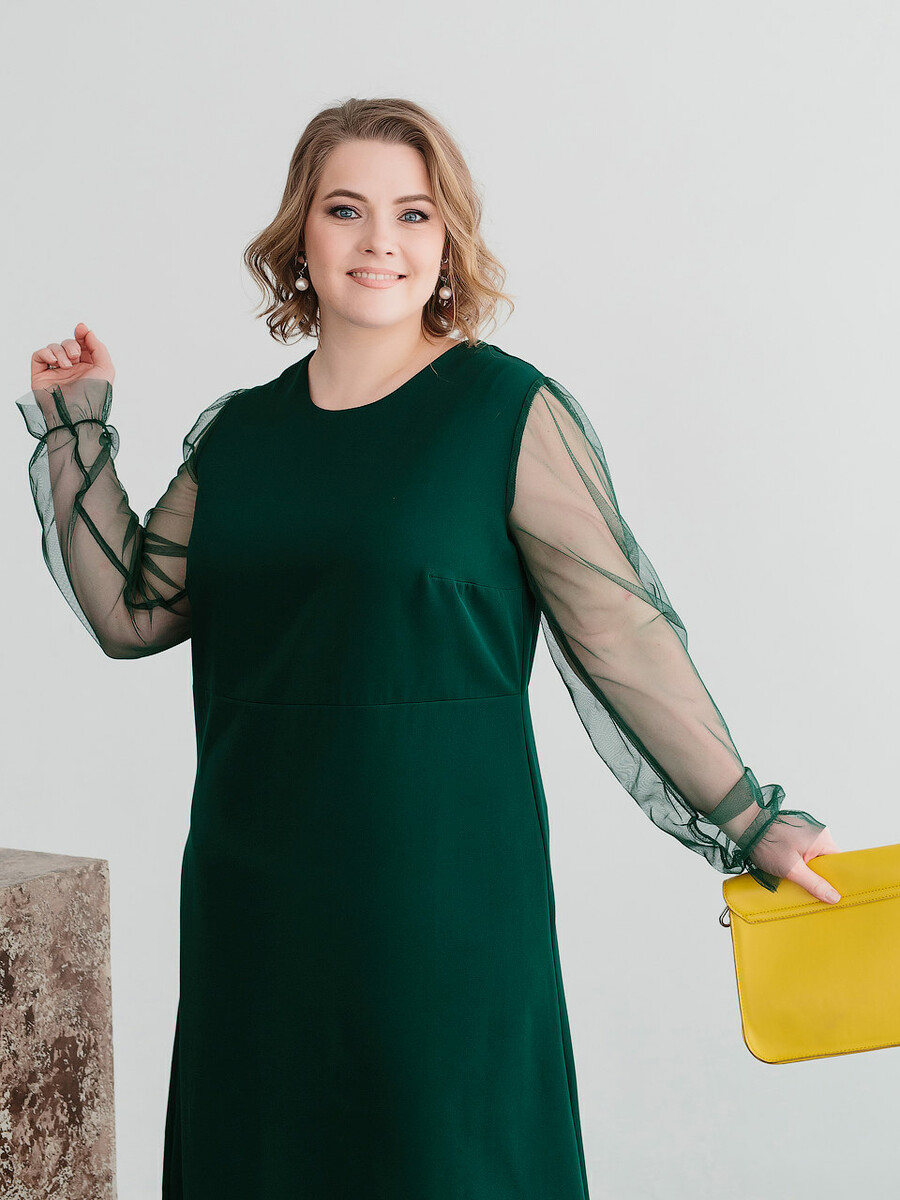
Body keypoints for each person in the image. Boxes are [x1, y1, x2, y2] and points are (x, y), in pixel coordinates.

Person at [15, 97, 840, 1199]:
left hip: (442, 897)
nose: (380, 241)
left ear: (446, 239)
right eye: (345, 209)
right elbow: (133, 613)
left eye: (412, 213)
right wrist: (75, 426)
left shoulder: (506, 411)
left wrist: (746, 818)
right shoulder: (241, 435)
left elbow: (621, 634)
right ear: (300, 236)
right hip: (257, 898)